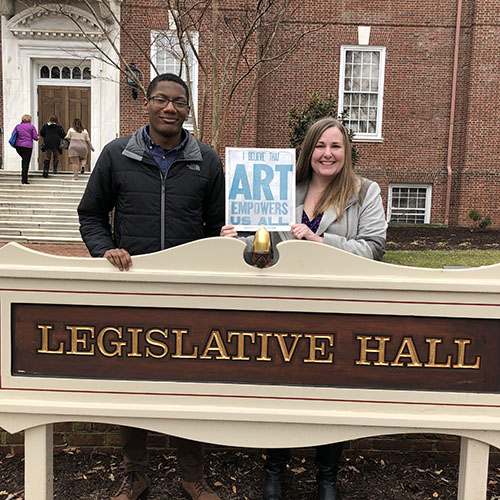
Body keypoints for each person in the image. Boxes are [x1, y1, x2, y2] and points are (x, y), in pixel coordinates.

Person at [221, 116, 387, 500]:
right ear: (308, 150)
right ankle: (275, 470)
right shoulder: (280, 188)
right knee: (280, 390)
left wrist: (320, 240)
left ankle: (326, 477)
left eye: (335, 146)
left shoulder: (365, 192)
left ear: (346, 152)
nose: (327, 154)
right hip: (284, 306)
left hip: (337, 308)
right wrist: (233, 240)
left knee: (332, 393)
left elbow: (374, 248)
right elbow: (259, 246)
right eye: (319, 146)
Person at [78, 73, 225, 500]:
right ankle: (135, 475)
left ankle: (192, 477)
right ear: (147, 102)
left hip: (187, 295)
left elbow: (217, 229)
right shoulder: (116, 155)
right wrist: (105, 250)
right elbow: (90, 214)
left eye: (179, 102)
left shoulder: (207, 162)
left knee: (189, 385)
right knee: (133, 385)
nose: (169, 108)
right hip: (132, 291)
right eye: (161, 99)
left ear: (188, 109)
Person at [12, 114, 38, 184]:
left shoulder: (18, 126)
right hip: (27, 146)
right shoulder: (31, 127)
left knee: (24, 160)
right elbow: (35, 137)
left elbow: (13, 134)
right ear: (29, 120)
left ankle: (24, 177)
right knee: (26, 162)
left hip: (18, 146)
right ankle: (24, 180)